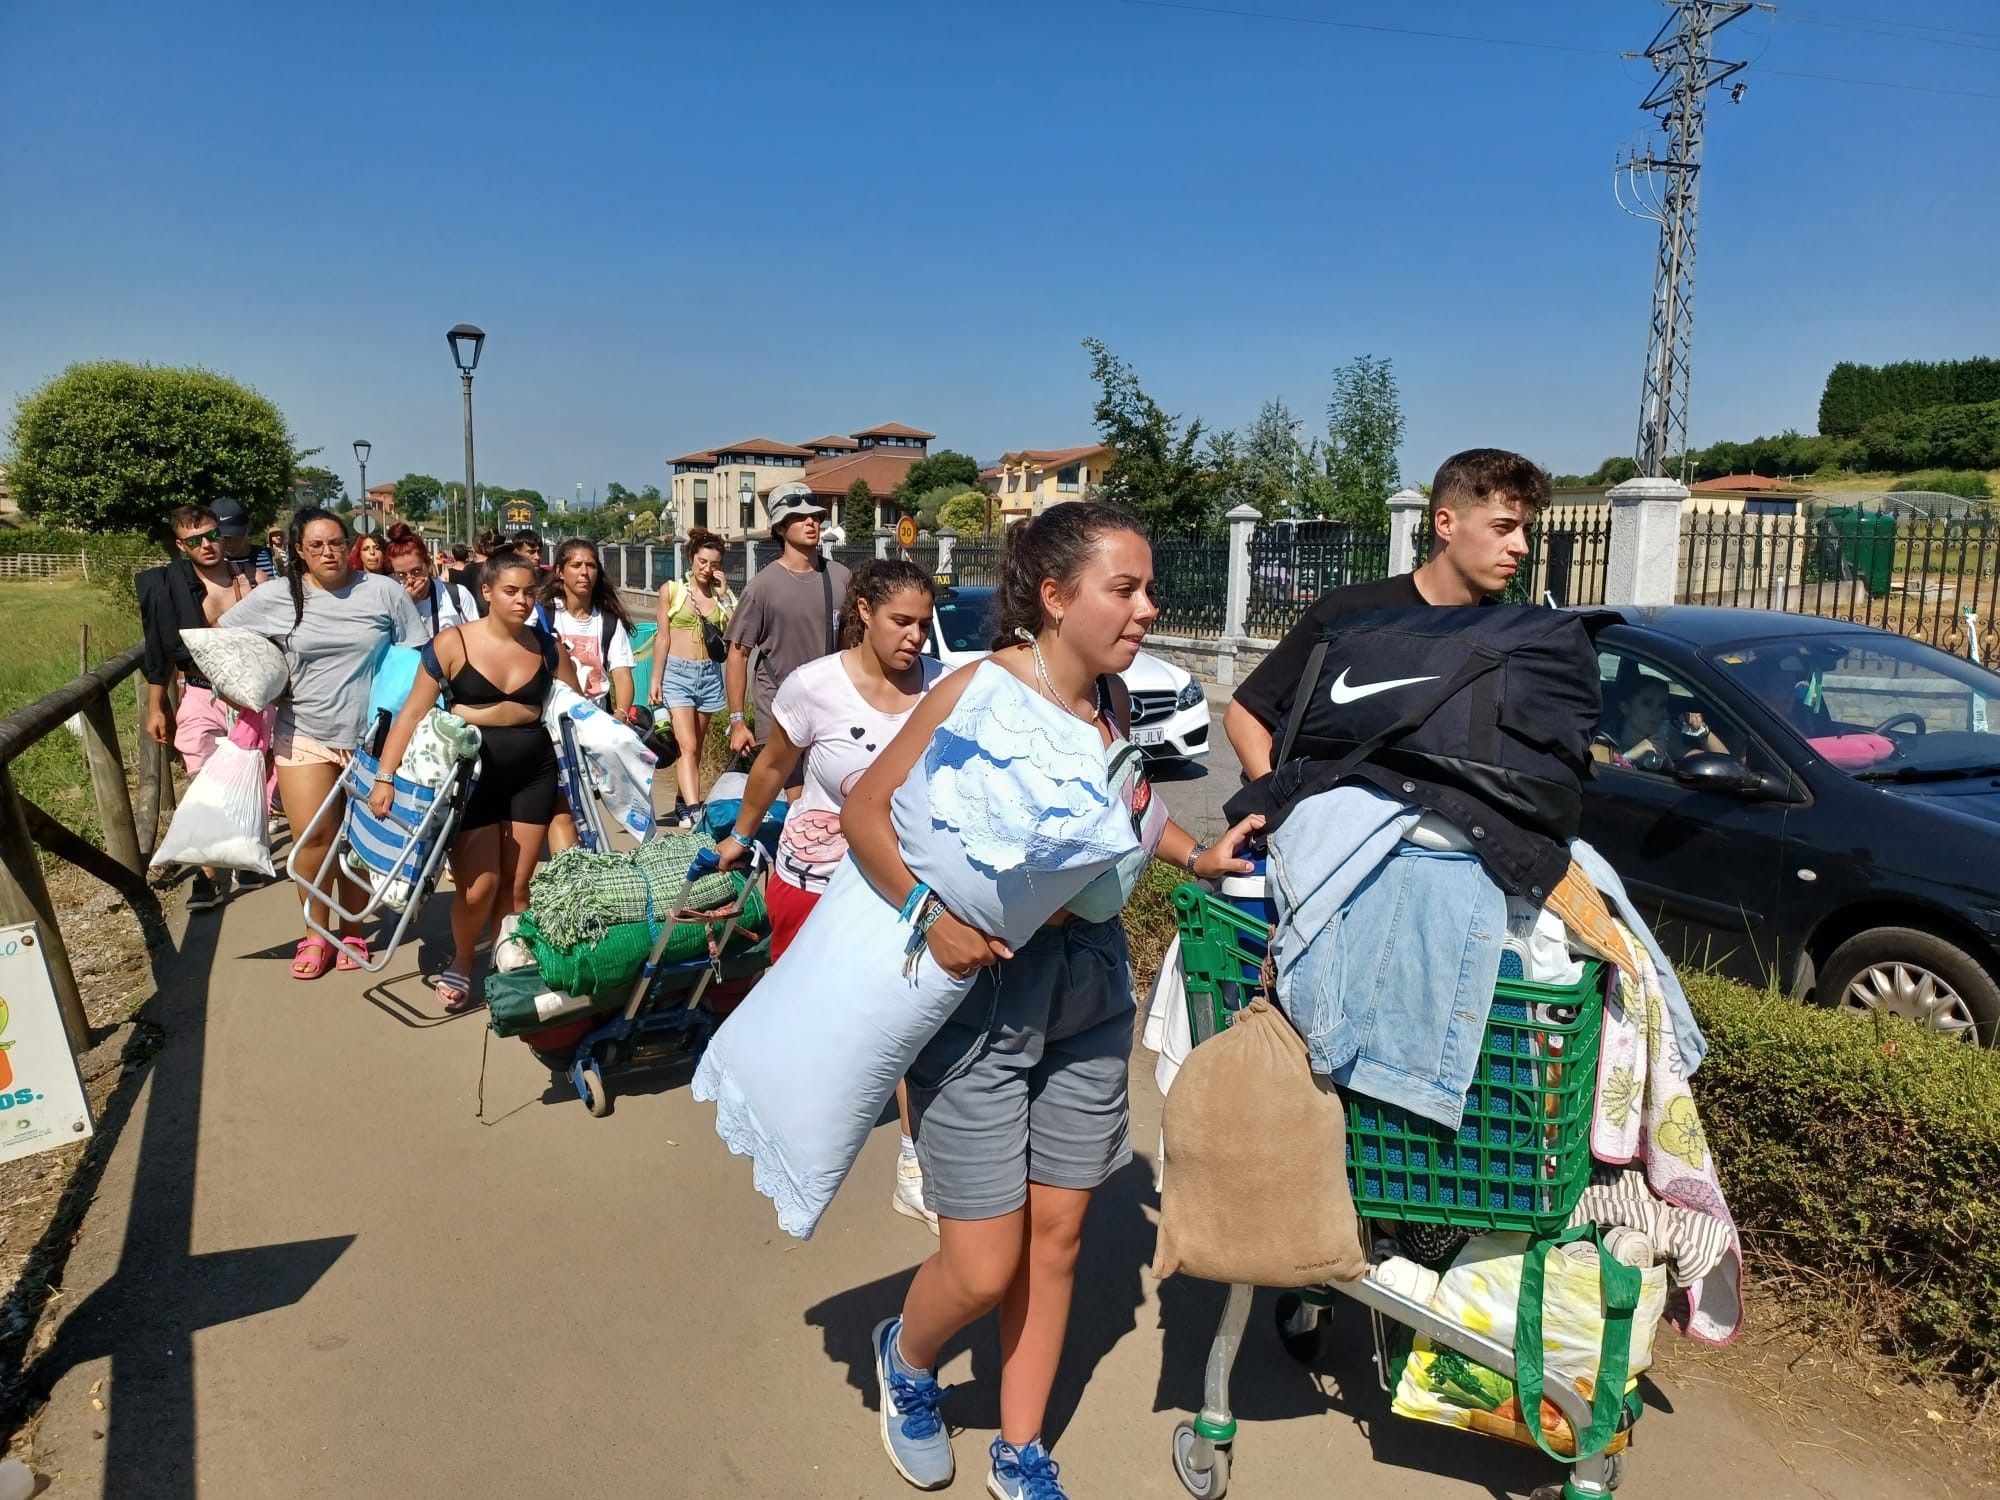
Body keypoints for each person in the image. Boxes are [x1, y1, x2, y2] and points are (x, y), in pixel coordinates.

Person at [841, 503, 1261, 1498]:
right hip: (983, 993)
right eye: (1126, 589)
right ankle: (905, 1357)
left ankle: (1019, 1449)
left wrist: (1191, 854)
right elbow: (865, 812)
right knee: (983, 1267)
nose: (1147, 608)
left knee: (1060, 1237)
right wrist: (924, 917)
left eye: (1147, 587)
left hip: (1090, 989)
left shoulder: (1110, 699)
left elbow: (1130, 802)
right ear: (1052, 596)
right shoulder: (976, 691)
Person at [714, 560, 945, 1228]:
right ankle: (789, 1123)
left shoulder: (940, 687)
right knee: (811, 1018)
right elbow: (774, 765)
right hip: (814, 879)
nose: (915, 638)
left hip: (901, 886)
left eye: (924, 625)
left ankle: (913, 1158)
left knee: (907, 1023)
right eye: (902, 621)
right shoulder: (813, 686)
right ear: (865, 610)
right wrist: (742, 834)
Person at [1224, 447, 1552, 780]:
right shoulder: (1351, 613)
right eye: (1503, 527)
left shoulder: (1506, 637)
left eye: (1525, 530)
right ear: (1445, 524)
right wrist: (1277, 809)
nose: (1521, 546)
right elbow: (1245, 715)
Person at [220, 507, 426, 979]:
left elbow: (417, 655)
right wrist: (249, 683)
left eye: (336, 542)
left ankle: (351, 928)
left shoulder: (384, 592)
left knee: (357, 839)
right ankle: (316, 931)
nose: (328, 553)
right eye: (316, 546)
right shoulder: (277, 596)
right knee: (313, 837)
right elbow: (224, 640)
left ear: (348, 544)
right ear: (298, 552)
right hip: (304, 732)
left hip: (373, 738)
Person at [370, 554, 581, 1013]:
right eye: (511, 591)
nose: (523, 601)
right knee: (478, 886)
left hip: (533, 772)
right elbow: (411, 713)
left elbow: (575, 711)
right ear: (487, 591)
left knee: (518, 885)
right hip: (471, 777)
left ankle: (511, 963)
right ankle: (464, 959)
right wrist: (385, 776)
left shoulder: (548, 648)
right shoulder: (453, 643)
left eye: (529, 592)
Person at [136, 505, 259, 910]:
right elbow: (159, 651)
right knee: (203, 784)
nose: (206, 545)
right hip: (199, 692)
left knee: (247, 777)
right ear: (181, 545)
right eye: (194, 540)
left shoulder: (249, 581)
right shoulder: (172, 587)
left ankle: (243, 854)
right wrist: (156, 708)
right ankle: (207, 876)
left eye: (210, 535)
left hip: (247, 699)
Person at [724, 484, 850, 792]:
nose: (812, 523)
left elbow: (851, 644)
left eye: (816, 517)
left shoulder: (841, 577)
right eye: (800, 517)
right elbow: (737, 654)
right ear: (780, 527)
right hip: (780, 706)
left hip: (829, 705)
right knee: (797, 797)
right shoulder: (762, 587)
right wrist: (738, 721)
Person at [650, 528, 735, 828]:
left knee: (695, 746)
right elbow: (662, 638)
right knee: (685, 745)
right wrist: (655, 679)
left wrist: (724, 597)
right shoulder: (672, 590)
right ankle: (696, 810)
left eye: (713, 563)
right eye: (702, 561)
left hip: (709, 675)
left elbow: (735, 634)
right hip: (677, 673)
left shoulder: (723, 597)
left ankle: (681, 802)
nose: (707, 568)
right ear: (691, 558)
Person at [540, 538, 636, 716]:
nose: (584, 572)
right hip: (553, 719)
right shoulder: (545, 616)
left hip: (597, 718)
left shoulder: (609, 622)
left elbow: (623, 675)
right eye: (576, 565)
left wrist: (621, 715)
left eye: (590, 566)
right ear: (560, 571)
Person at [385, 524, 477, 637]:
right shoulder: (389, 601)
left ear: (428, 565)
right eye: (401, 575)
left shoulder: (456, 594)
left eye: (416, 572)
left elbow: (476, 639)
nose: (410, 580)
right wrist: (407, 603)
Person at [211, 497, 272, 583]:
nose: (229, 542)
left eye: (236, 534)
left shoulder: (271, 558)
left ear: (249, 527)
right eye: (222, 536)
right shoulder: (209, 565)